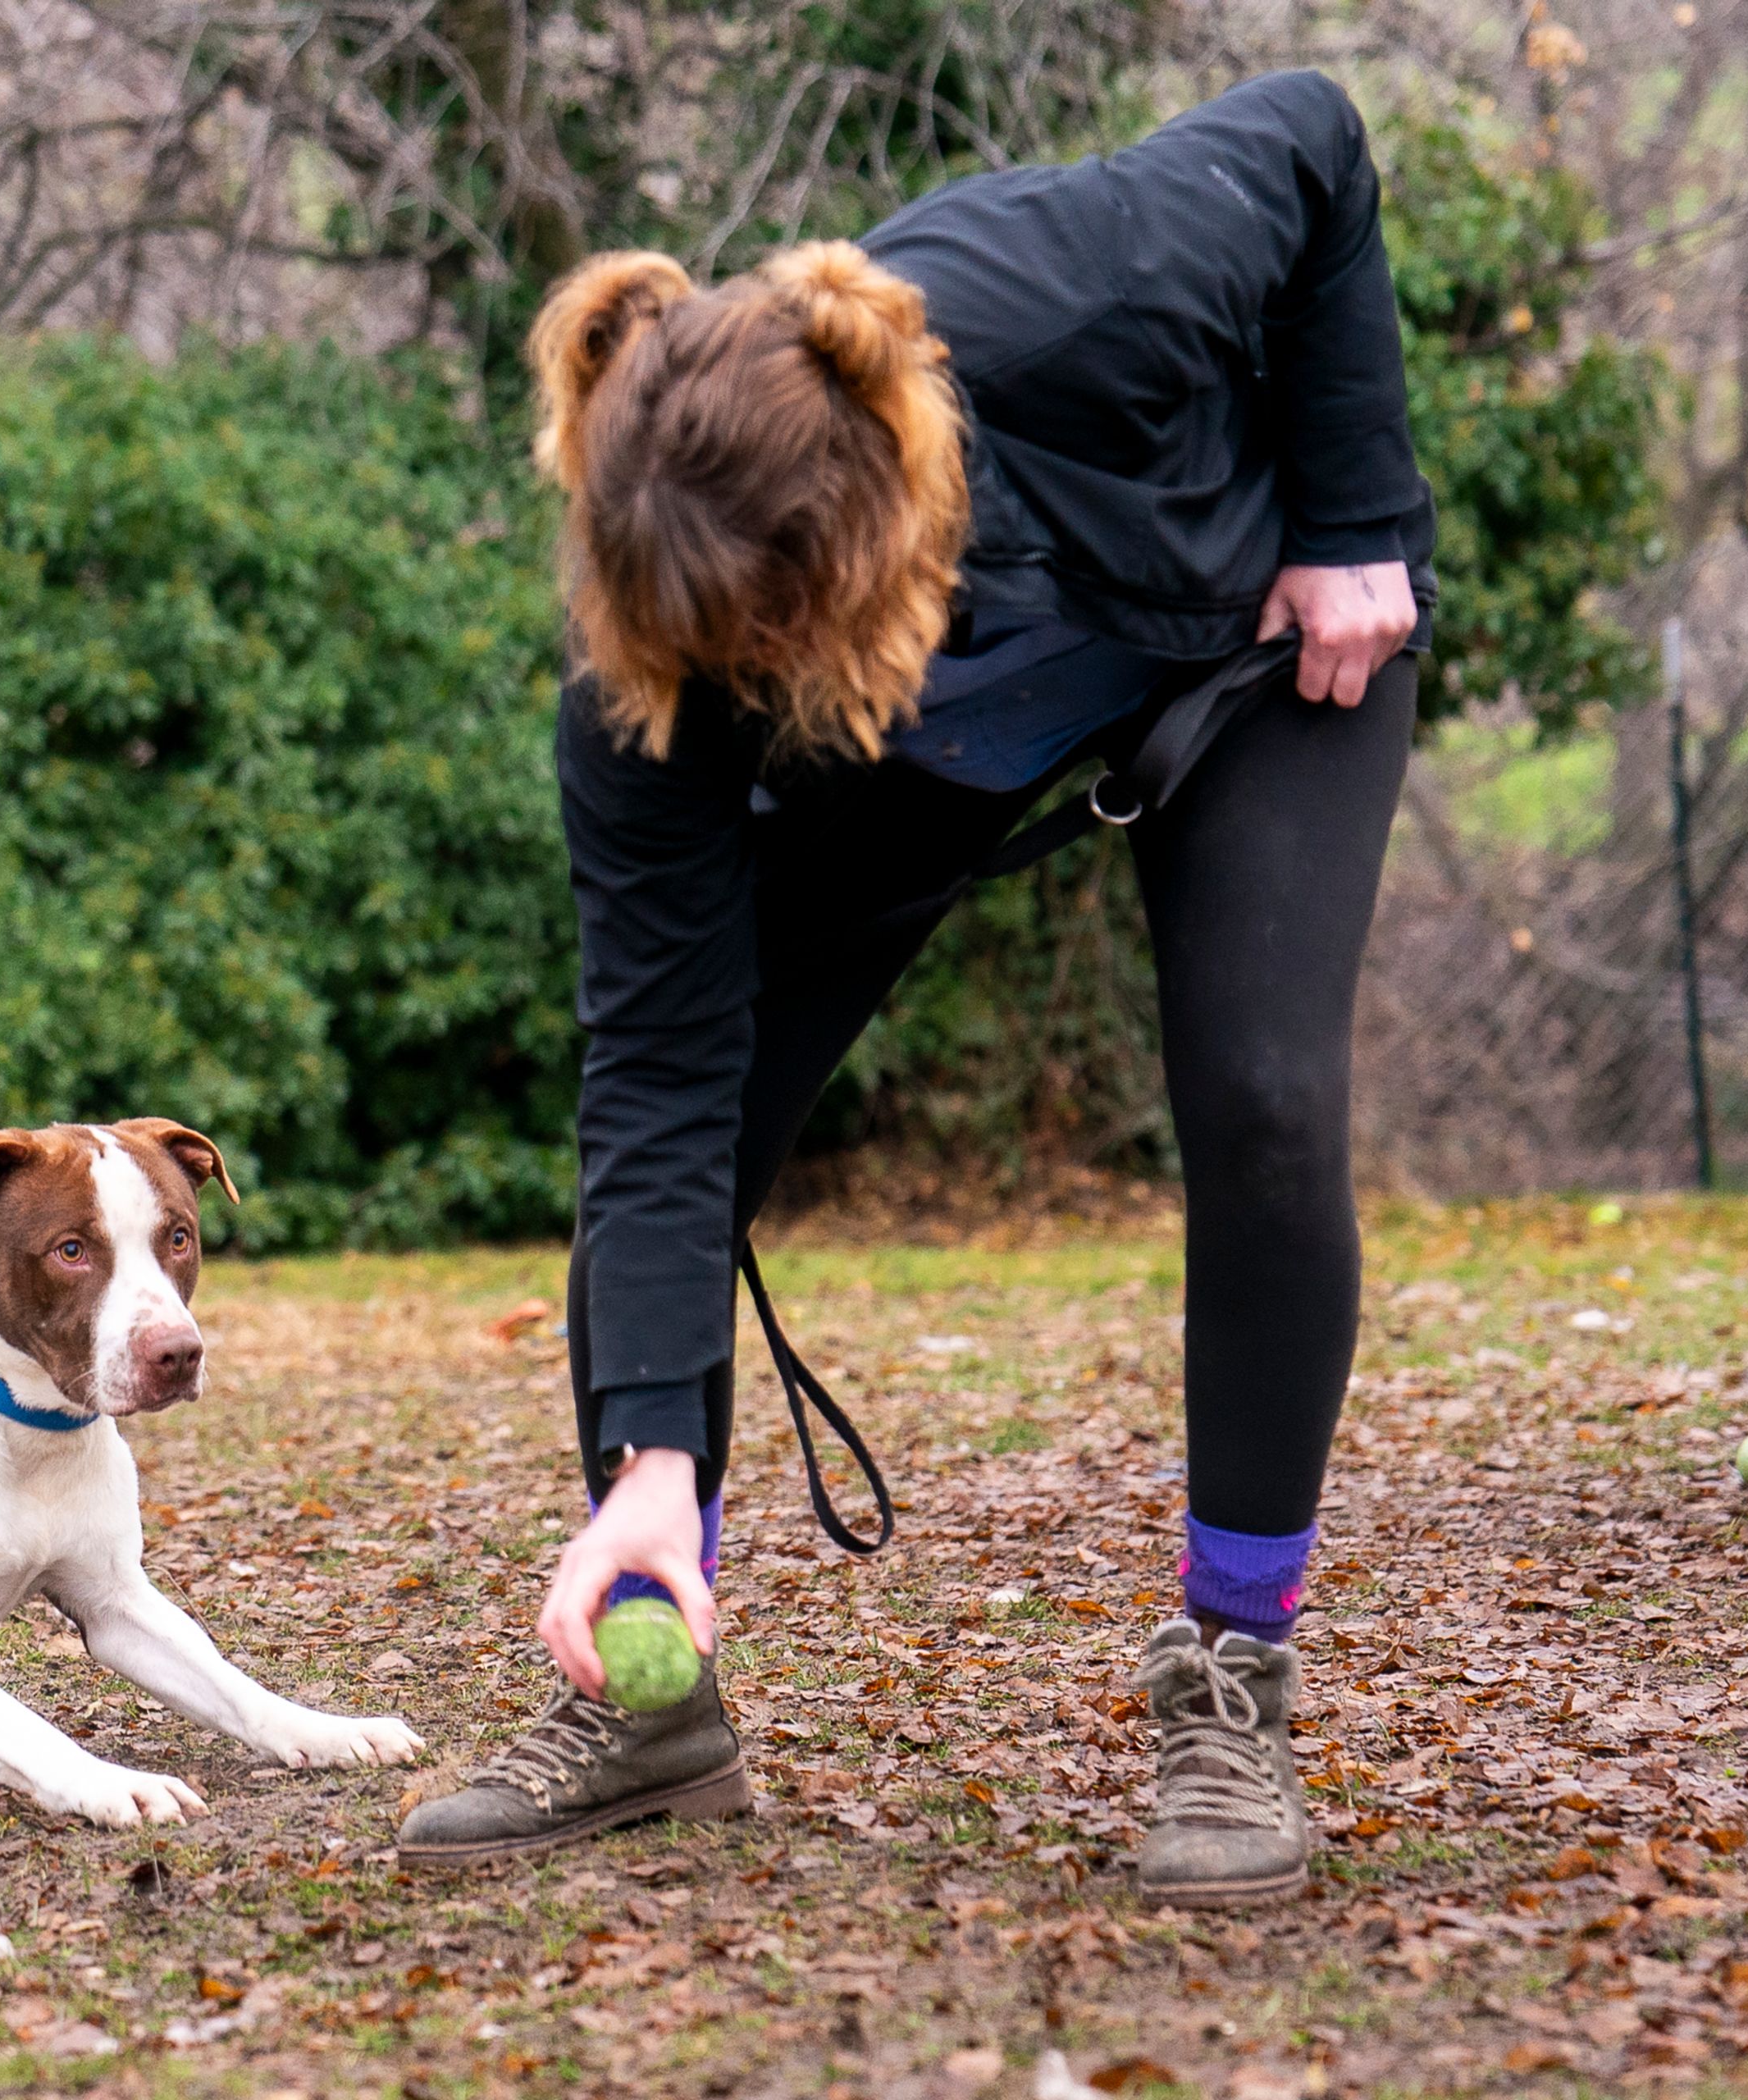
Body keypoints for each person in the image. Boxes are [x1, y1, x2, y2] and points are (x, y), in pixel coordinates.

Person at [393, 71, 1432, 1909]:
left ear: (868, 528)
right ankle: (653, 1668)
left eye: (770, 635)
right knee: (680, 1141)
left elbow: (1315, 135)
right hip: (911, 758)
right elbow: (653, 1071)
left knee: (1265, 1102)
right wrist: (643, 1455)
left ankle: (1235, 1669)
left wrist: (1355, 512)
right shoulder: (663, 665)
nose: (733, 673)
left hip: (1251, 659)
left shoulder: (1088, 286)